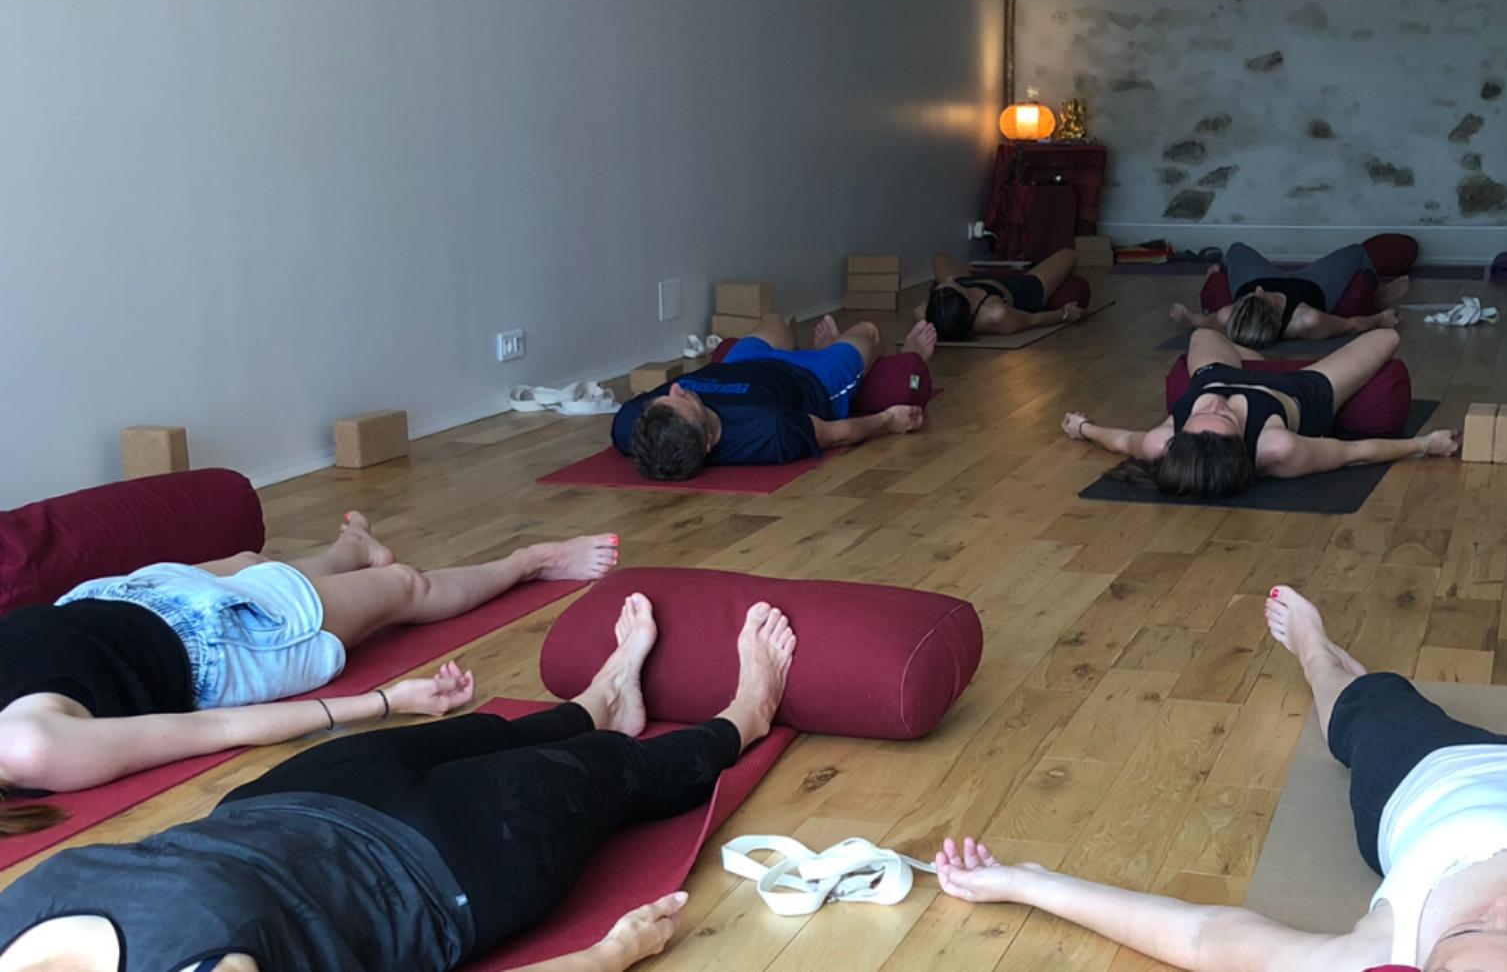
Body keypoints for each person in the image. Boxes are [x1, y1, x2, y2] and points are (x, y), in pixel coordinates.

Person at [931, 584, 1507, 972]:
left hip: (1447, 782)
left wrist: (1025, 883)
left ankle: (1320, 653)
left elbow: (1203, 940)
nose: (1503, 906)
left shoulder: (1374, 958)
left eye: (1466, 931)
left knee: (1362, 708)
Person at [0, 592, 796, 972]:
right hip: (429, 871)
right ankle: (745, 715)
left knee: (492, 731)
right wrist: (601, 960)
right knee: (616, 772)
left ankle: (600, 701)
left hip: (273, 811)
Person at [0, 515, 619, 824]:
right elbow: (218, 728)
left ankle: (351, 549)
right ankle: (530, 563)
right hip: (223, 643)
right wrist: (386, 701)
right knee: (404, 587)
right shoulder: (32, 748)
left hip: (113, 600)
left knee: (250, 560)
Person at [1063, 328, 1458, 499]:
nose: (1216, 404)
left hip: (1216, 374)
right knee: (1388, 337)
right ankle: (1268, 368)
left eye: (1203, 412)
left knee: (1202, 335)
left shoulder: (1161, 444)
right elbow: (1352, 453)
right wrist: (1425, 444)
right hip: (1300, 391)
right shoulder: (1277, 448)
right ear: (1242, 445)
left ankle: (1258, 362)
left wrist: (1084, 428)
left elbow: (1122, 440)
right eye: (1225, 418)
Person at [616, 314, 935, 481]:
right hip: (813, 376)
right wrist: (888, 420)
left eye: (668, 396)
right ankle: (910, 354)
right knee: (868, 330)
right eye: (683, 399)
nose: (675, 389)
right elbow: (838, 433)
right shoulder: (769, 430)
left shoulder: (631, 426)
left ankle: (822, 343)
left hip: (740, 362)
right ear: (708, 442)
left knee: (775, 320)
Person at [1170, 241, 1407, 349]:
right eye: (1260, 295)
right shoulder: (1307, 320)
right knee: (1357, 252)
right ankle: (1378, 295)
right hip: (1312, 283)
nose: (1258, 290)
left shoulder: (1228, 316)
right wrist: (1379, 318)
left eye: (1250, 296)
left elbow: (1202, 322)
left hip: (1257, 275)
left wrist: (1185, 315)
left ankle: (1216, 272)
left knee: (1236, 249)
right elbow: (1350, 325)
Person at [919, 248, 1087, 340]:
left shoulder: (934, 315)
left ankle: (984, 271)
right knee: (1069, 255)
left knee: (938, 257)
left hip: (971, 282)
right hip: (1018, 290)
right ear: (965, 302)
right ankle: (1003, 273)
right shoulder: (996, 315)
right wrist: (1064, 314)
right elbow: (1032, 320)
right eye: (951, 286)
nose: (949, 279)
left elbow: (919, 312)